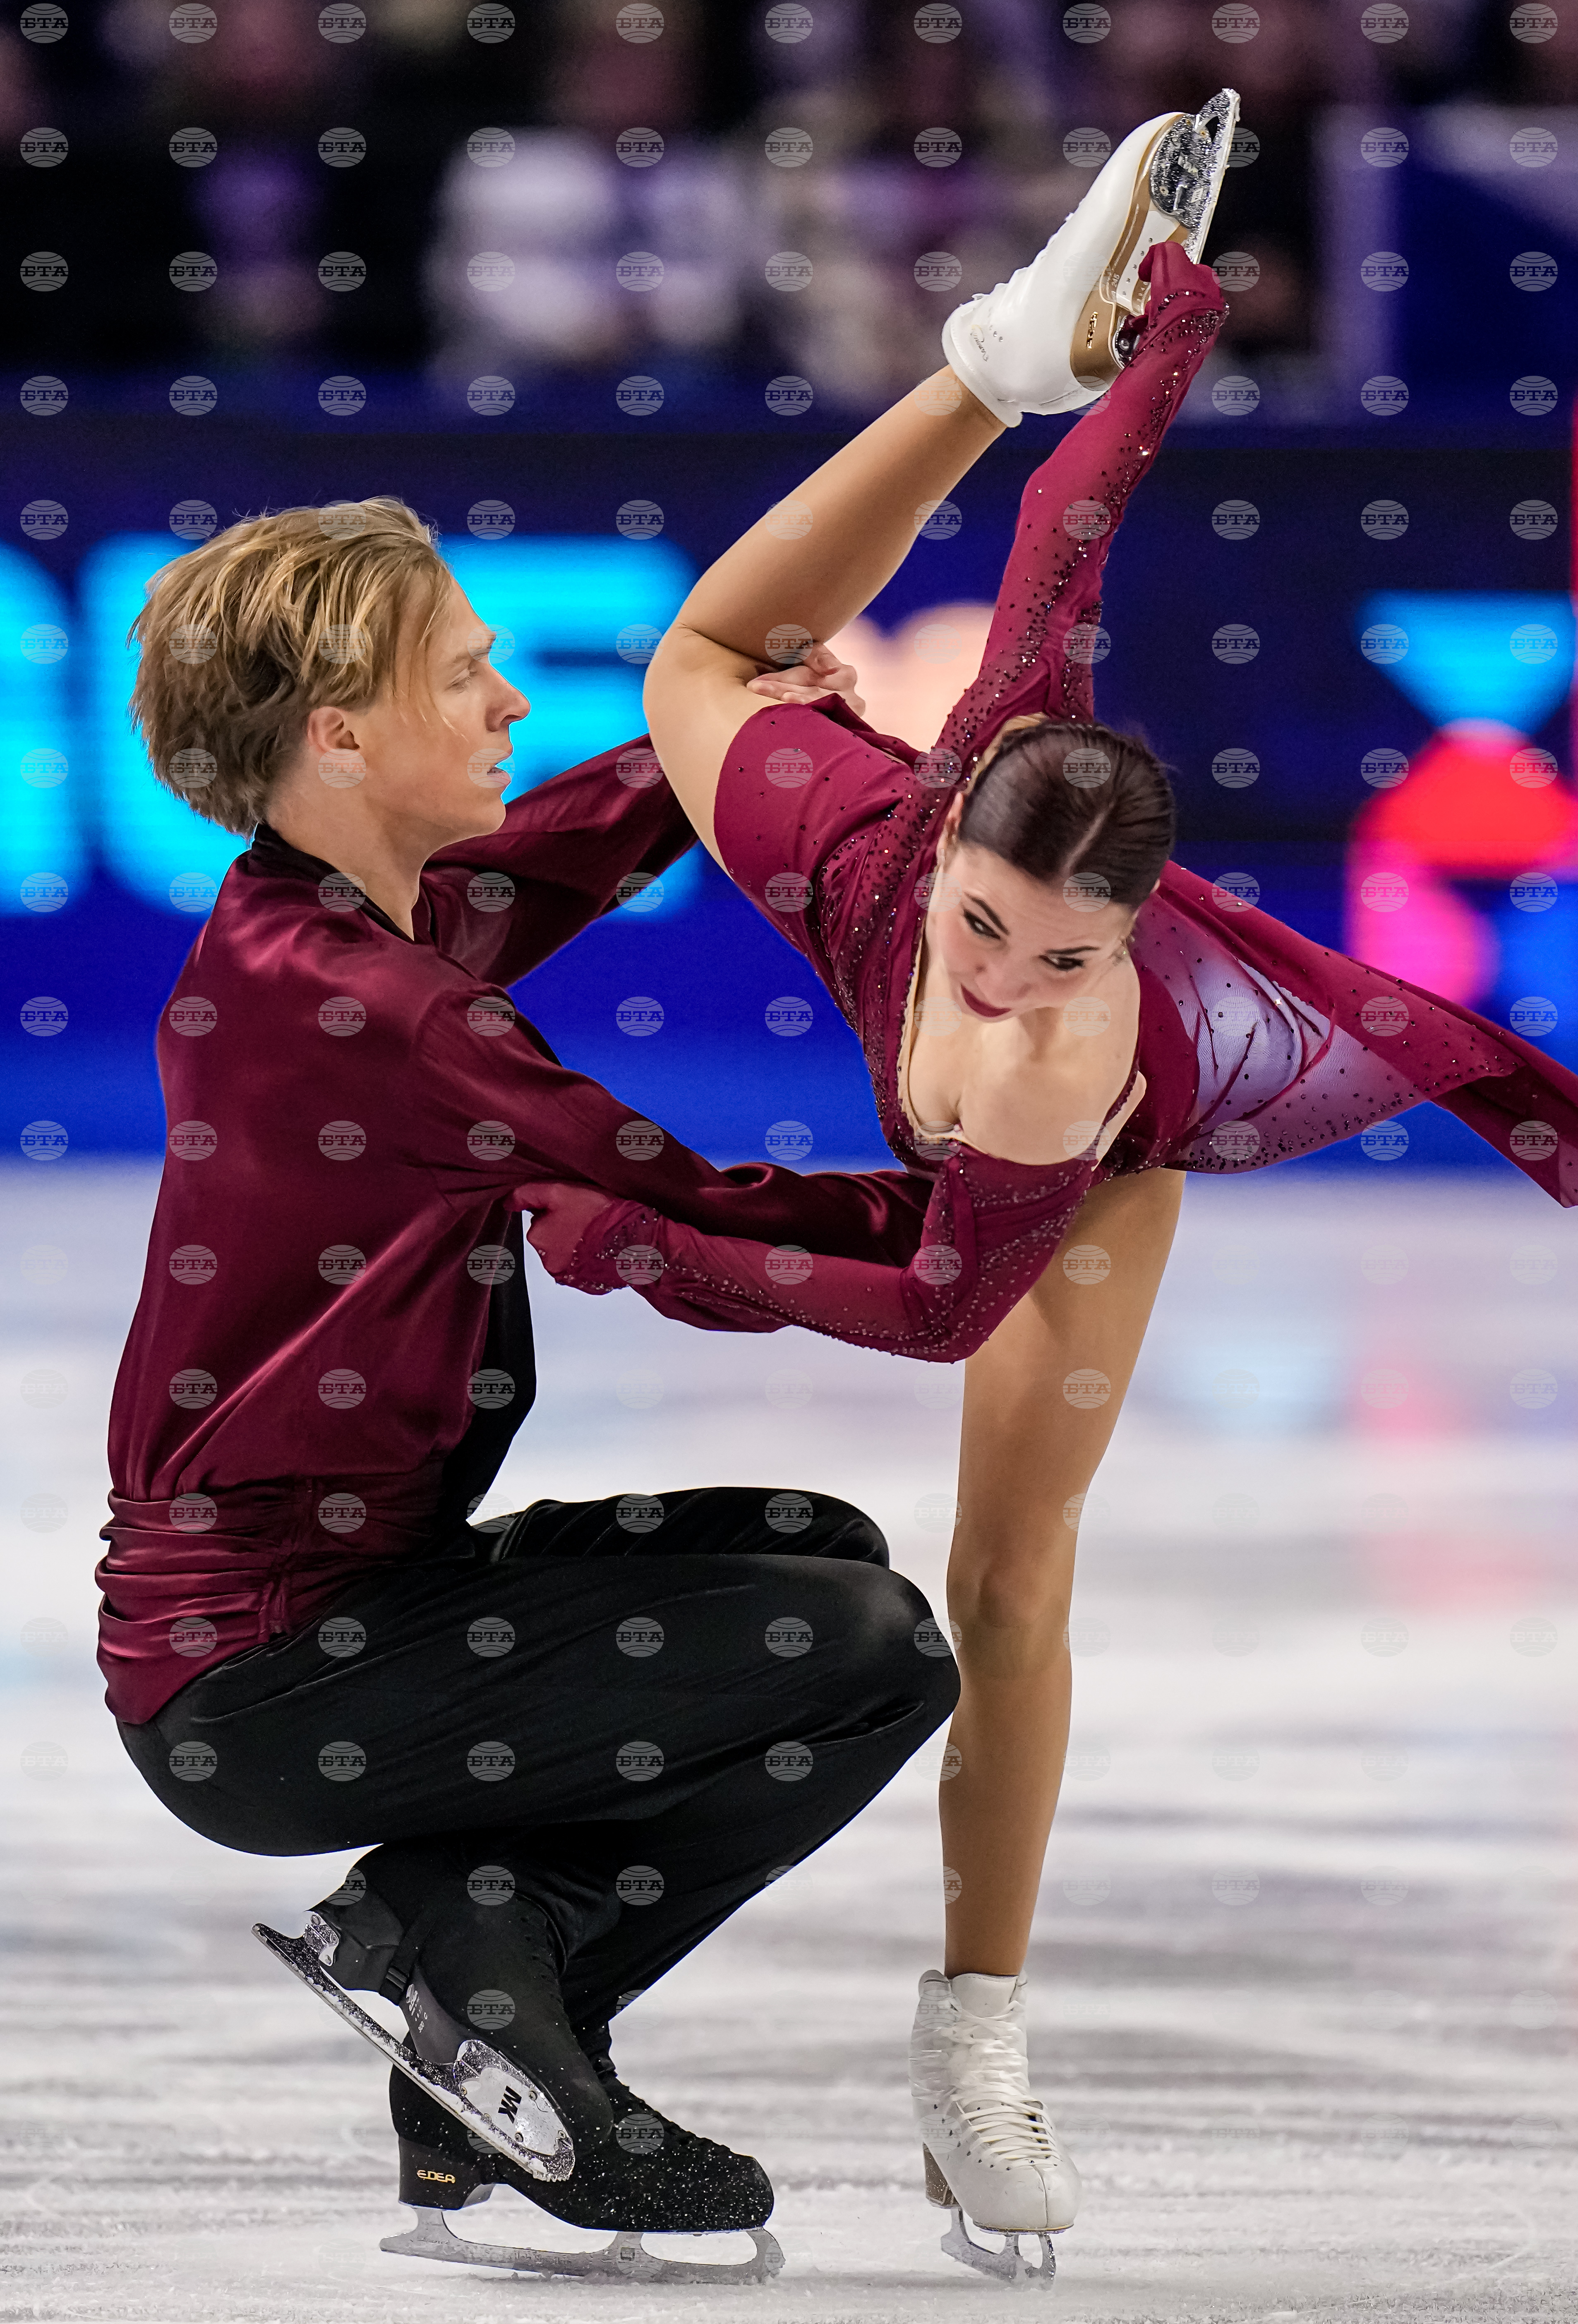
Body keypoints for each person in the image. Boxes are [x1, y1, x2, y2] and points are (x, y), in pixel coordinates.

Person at [638, 114, 1578, 2277]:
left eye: (1064, 954)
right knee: (702, 658)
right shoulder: (941, 819)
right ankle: (981, 340)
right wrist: (1153, 332)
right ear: (960, 802)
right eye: (1000, 925)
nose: (1011, 976)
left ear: (1126, 940)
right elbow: (1075, 515)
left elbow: (931, 1302)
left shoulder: (1073, 1068)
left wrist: (667, 1239)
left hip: (1054, 1198)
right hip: (855, 871)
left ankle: (971, 2023)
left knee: (1008, 1563)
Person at [98, 494, 1122, 2281]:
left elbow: (556, 856)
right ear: (339, 732)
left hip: (328, 1623)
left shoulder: (314, 920)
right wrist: (999, 1201)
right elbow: (690, 1204)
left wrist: (731, 734)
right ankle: (468, 1974)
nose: (510, 703)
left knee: (814, 1549)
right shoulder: (383, 1010)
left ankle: (464, 1997)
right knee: (862, 1646)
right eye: (468, 676)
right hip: (261, 1686)